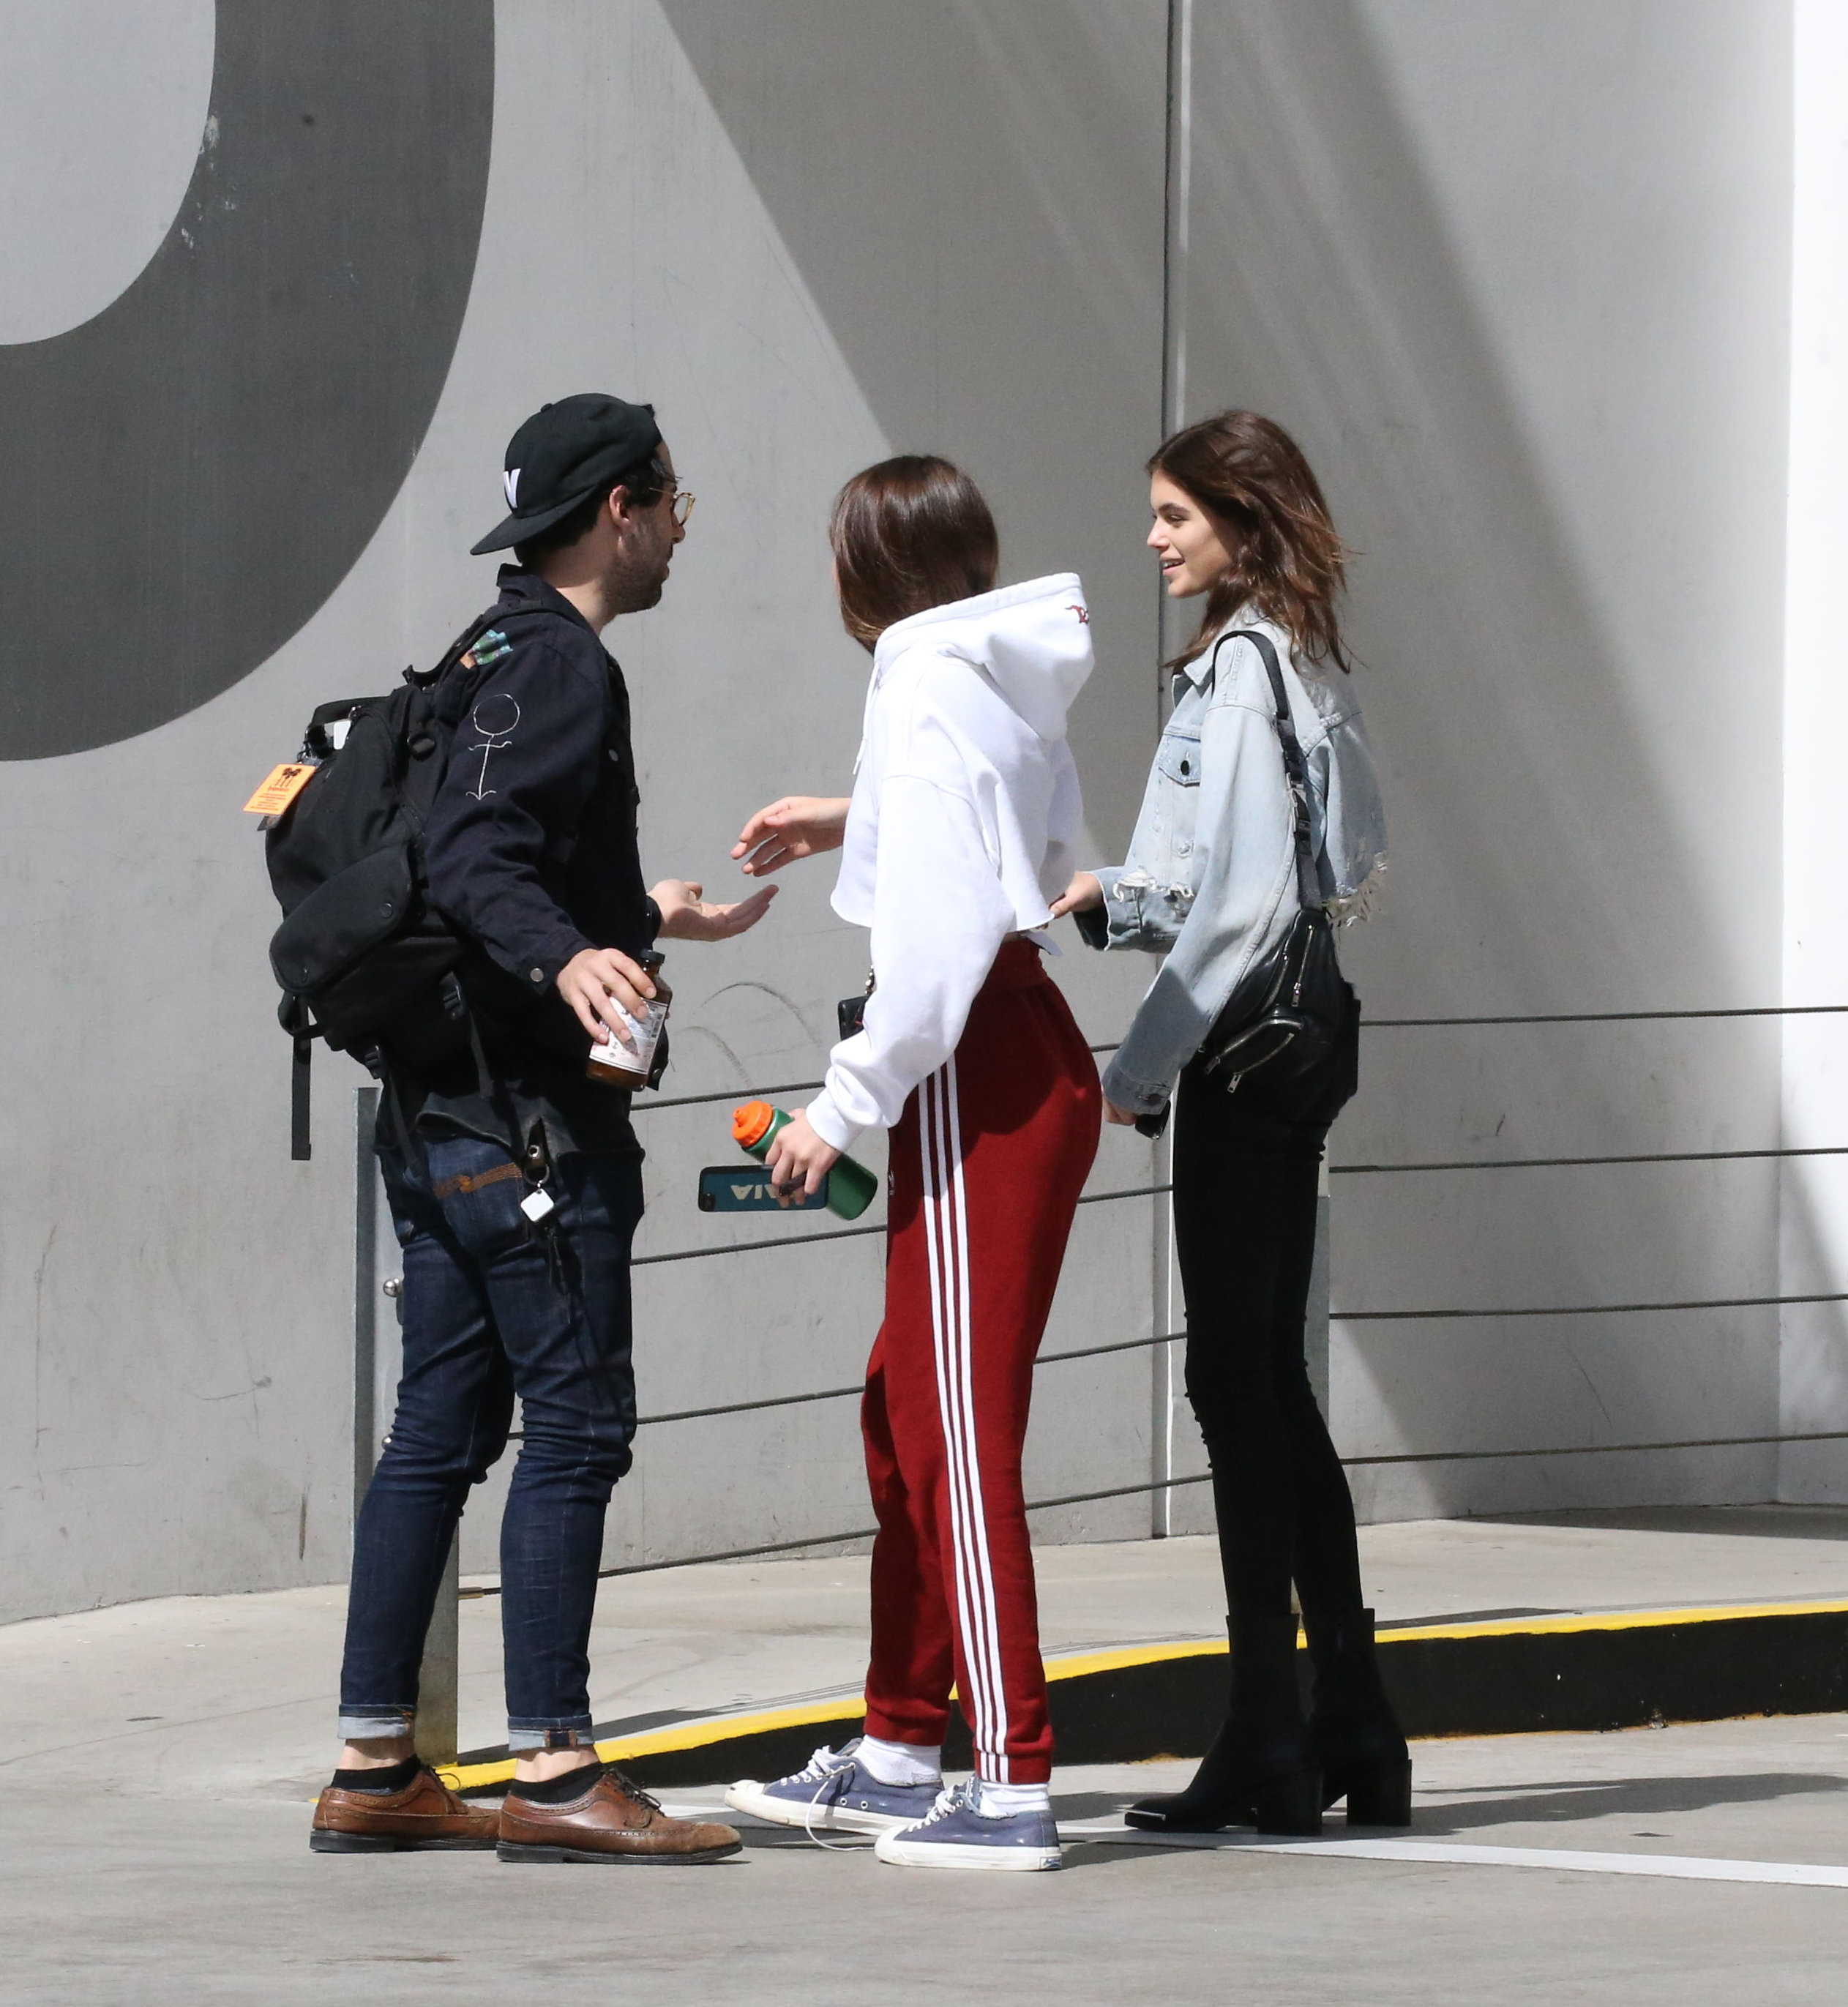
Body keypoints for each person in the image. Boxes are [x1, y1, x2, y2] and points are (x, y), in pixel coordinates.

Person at [312, 394, 769, 1864]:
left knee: (436, 1429)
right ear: (621, 509)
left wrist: (639, 920)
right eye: (673, 497)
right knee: (574, 1424)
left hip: (436, 1108)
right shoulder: (562, 666)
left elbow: (474, 843)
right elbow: (475, 850)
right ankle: (561, 1773)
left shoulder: (479, 650)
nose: (684, 523)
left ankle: (377, 1766)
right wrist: (568, 958)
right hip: (526, 1125)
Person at [720, 457, 1101, 1871]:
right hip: (1017, 1051)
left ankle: (1005, 1781)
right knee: (905, 1415)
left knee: (950, 1440)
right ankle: (896, 1746)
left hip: (969, 1071)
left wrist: (842, 1100)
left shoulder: (922, 685)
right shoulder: (986, 670)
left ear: (858, 575)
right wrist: (852, 817)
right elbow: (1035, 850)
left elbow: (937, 956)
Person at [1052, 411, 1406, 1836]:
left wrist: (1141, 1064)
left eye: (1176, 516)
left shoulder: (1243, 671)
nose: (1153, 538)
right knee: (1266, 1379)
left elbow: (1244, 898)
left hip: (1243, 1049)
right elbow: (1335, 856)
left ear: (1240, 522)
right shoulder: (1301, 658)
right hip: (1304, 1035)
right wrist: (1110, 901)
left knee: (1231, 1382)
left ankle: (1274, 1726)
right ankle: (1349, 1724)